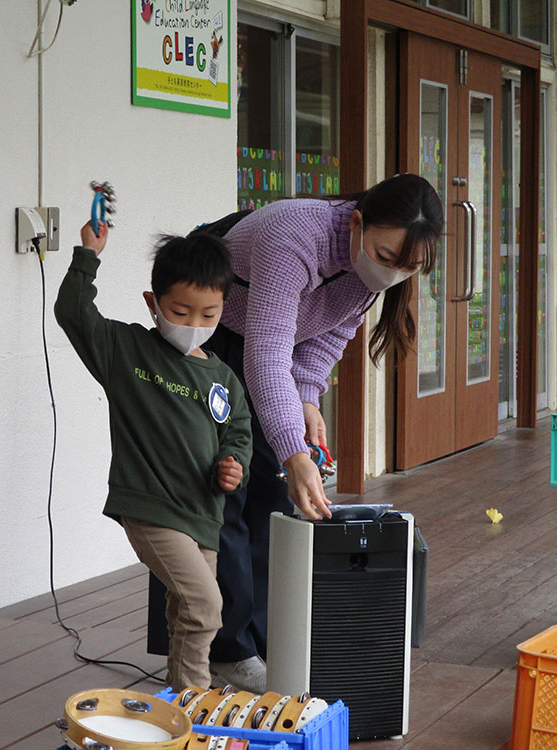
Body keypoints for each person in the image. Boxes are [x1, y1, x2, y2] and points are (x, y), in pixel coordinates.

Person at [185, 173, 443, 692]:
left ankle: (256, 641)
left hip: (266, 358)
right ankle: (226, 649)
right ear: (356, 221)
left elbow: (326, 337)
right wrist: (293, 450)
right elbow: (265, 351)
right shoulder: (293, 236)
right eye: (387, 257)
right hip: (217, 342)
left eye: (409, 267)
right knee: (225, 492)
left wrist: (306, 399)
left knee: (272, 497)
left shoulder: (368, 273)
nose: (393, 274)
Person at [55, 219, 253, 691]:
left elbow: (238, 432)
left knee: (189, 610)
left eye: (208, 315)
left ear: (223, 309)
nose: (193, 326)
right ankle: (194, 703)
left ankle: (180, 705)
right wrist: (89, 256)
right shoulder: (127, 351)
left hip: (202, 514)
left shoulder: (224, 377)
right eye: (180, 311)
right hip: (150, 508)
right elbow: (74, 312)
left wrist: (233, 467)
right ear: (154, 303)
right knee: (206, 606)